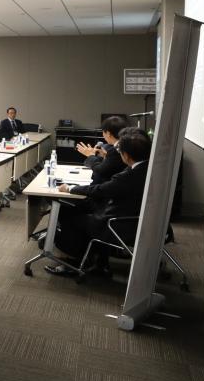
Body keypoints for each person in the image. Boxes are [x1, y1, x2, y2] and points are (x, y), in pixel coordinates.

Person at [48, 130, 151, 272]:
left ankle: (75, 262)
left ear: (126, 155)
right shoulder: (148, 169)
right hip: (136, 221)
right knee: (83, 210)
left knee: (70, 217)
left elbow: (100, 190)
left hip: (117, 224)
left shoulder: (129, 176)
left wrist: (70, 188)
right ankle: (99, 262)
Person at [77, 116, 129, 183]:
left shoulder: (116, 150)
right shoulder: (125, 145)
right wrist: (105, 156)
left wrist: (91, 155)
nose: (103, 135)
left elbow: (101, 172)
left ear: (108, 133)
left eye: (103, 132)